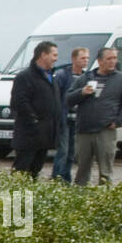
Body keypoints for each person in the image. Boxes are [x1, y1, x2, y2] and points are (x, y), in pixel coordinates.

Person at [66, 47, 122, 186]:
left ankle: (104, 201)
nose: (112, 61)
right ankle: (80, 199)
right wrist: (82, 92)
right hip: (84, 130)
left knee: (105, 171)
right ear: (99, 61)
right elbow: (68, 98)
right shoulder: (85, 78)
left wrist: (119, 121)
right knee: (82, 170)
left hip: (106, 130)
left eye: (114, 58)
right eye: (109, 59)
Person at [9, 41, 62, 179]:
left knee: (35, 172)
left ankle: (30, 199)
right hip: (29, 135)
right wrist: (34, 120)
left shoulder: (51, 77)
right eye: (54, 55)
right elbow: (18, 102)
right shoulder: (25, 77)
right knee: (20, 172)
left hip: (44, 136)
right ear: (43, 55)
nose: (56, 58)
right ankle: (15, 198)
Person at [51, 46, 89, 182]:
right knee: (63, 150)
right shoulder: (62, 75)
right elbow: (56, 96)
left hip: (78, 120)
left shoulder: (87, 76)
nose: (85, 61)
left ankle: (66, 179)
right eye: (82, 58)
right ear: (74, 59)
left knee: (72, 153)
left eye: (87, 58)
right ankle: (56, 178)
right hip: (64, 118)